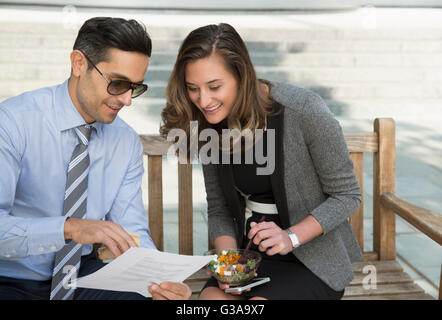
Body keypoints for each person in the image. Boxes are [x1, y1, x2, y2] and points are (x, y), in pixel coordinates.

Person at [160, 23, 363, 300]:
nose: (203, 100)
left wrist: (289, 237)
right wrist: (228, 265)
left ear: (242, 76)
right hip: (250, 258)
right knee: (210, 300)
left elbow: (347, 195)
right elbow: (219, 208)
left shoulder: (303, 110)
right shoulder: (208, 124)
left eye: (215, 86)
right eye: (193, 88)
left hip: (311, 258)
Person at [0, 17, 190, 300]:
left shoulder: (124, 141)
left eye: (135, 88)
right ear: (78, 64)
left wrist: (160, 282)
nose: (127, 100)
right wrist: (71, 228)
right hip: (10, 277)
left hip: (81, 275)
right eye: (117, 84)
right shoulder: (13, 122)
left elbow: (131, 229)